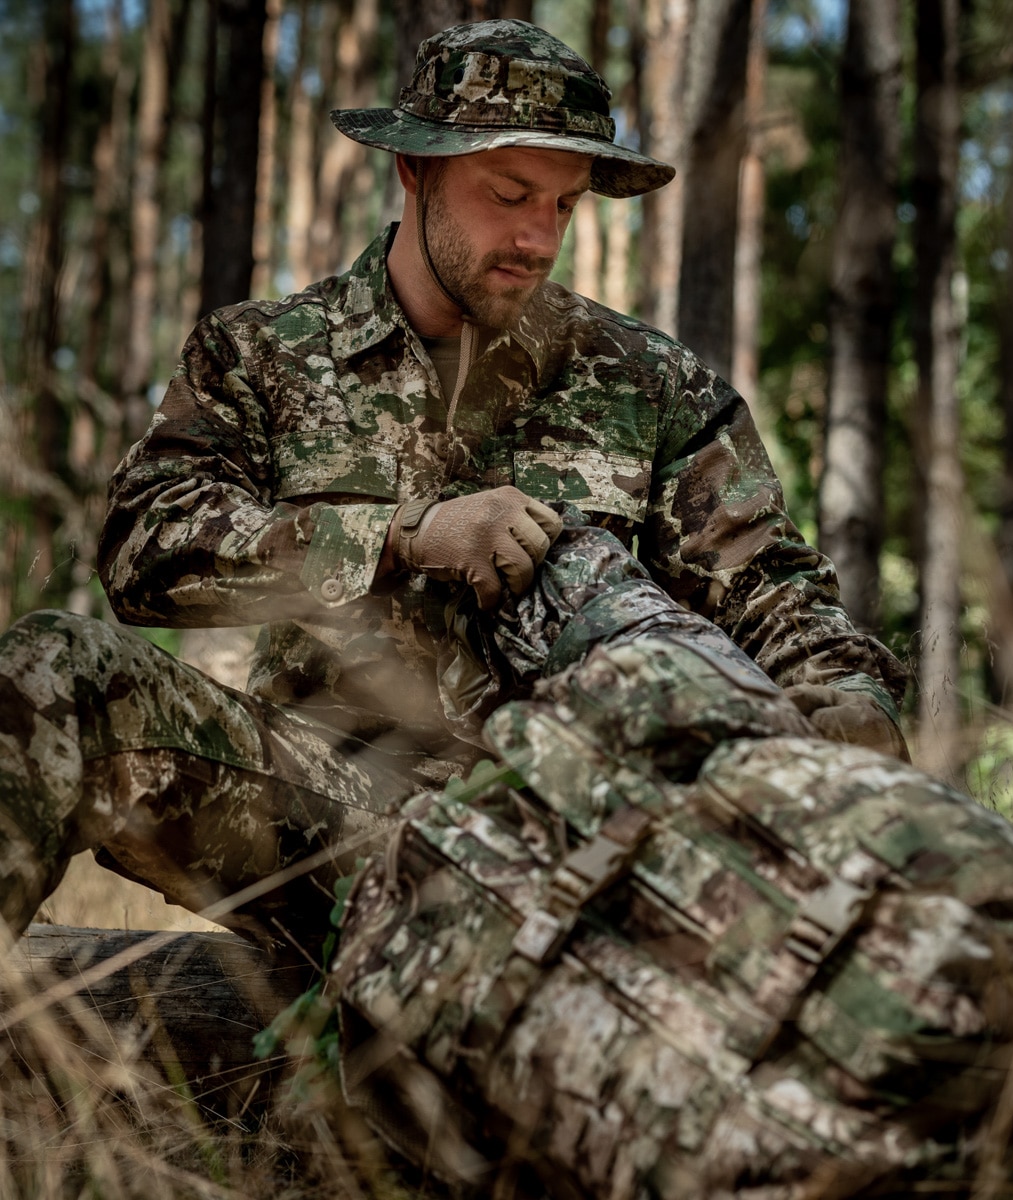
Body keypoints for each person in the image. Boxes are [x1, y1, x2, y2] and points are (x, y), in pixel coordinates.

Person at [0, 19, 907, 962]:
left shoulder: (651, 384)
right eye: (510, 194)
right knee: (55, 670)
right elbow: (143, 548)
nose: (536, 237)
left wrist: (848, 701)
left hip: (574, 847)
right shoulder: (263, 354)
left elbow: (778, 595)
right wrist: (401, 535)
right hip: (322, 818)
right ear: (415, 172)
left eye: (564, 205)